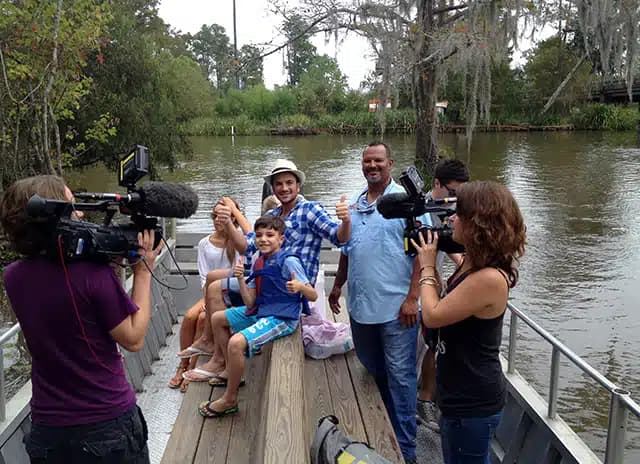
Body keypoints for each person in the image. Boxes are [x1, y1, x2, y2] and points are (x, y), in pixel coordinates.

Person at [0, 175, 163, 463]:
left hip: (47, 428)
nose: (81, 214)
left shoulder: (12, 276)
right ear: (52, 217)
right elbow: (134, 338)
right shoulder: (93, 275)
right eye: (72, 207)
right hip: (106, 422)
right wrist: (142, 271)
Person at [183, 159, 351, 381]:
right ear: (273, 188)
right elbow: (245, 245)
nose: (284, 188)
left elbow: (339, 237)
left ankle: (220, 358)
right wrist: (229, 224)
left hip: (290, 287)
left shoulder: (310, 210)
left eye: (289, 182)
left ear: (298, 186)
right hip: (266, 282)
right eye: (279, 184)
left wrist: (345, 220)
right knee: (214, 288)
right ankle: (217, 355)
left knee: (218, 289)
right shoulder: (273, 215)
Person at [410, 180, 526, 464]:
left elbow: (433, 315)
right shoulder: (472, 260)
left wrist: (426, 265)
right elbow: (445, 300)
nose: (452, 219)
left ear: (478, 224)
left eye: (459, 214)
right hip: (456, 391)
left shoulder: (488, 278)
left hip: (473, 400)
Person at [328, 142, 428, 464]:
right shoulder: (355, 204)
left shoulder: (407, 203)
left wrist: (414, 297)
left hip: (398, 311)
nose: (372, 166)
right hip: (360, 308)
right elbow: (348, 250)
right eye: (367, 160)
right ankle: (383, 426)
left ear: (390, 163)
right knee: (373, 368)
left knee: (401, 377)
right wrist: (337, 285)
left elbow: (425, 255)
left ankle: (405, 451)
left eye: (378, 161)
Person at [198, 215, 317, 417]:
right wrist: (240, 281)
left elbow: (312, 294)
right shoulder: (259, 262)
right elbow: (251, 302)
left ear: (281, 239)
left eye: (270, 235)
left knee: (236, 343)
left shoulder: (289, 262)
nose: (263, 239)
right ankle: (230, 369)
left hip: (282, 318)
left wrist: (300, 287)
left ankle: (230, 399)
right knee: (217, 318)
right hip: (263, 310)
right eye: (259, 235)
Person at [169, 197, 251, 391]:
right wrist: (207, 299)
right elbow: (205, 276)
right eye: (215, 215)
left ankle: (194, 369)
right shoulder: (205, 243)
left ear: (234, 219)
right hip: (210, 292)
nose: (218, 220)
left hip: (232, 293)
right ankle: (183, 365)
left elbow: (240, 274)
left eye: (224, 216)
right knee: (190, 316)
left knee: (202, 319)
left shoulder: (240, 242)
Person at [417, 158, 469, 428]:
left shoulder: (450, 207)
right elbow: (434, 242)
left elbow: (449, 241)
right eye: (453, 192)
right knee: (427, 346)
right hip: (421, 286)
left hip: (432, 285)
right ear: (436, 184)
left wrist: (464, 264)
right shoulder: (422, 209)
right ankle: (423, 400)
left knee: (433, 346)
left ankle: (428, 397)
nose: (457, 199)